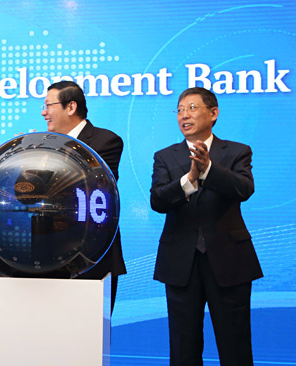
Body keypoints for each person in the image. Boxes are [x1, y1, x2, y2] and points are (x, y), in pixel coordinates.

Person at [150, 87, 263, 365]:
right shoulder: (166, 156)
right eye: (179, 109)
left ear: (213, 113)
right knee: (183, 347)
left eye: (191, 108)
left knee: (234, 344)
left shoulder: (237, 151)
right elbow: (158, 200)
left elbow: (244, 189)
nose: (183, 115)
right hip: (180, 263)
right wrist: (189, 179)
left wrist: (209, 169)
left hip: (229, 260)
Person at [41, 80, 126, 312]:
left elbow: (92, 186)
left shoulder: (105, 141)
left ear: (70, 107)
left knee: (88, 338)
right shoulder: (42, 146)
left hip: (92, 254)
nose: (43, 112)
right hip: (49, 255)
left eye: (49, 105)